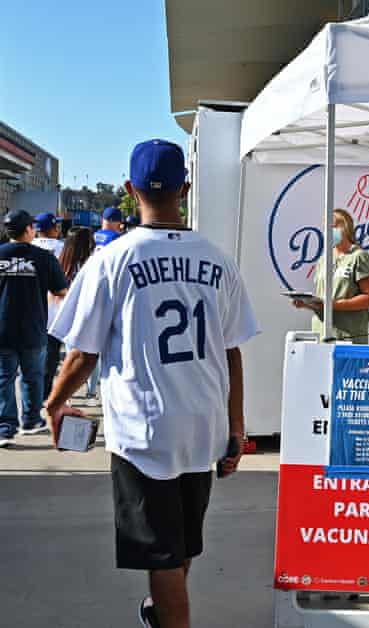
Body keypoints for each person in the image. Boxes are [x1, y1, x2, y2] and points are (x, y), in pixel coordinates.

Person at [45, 139, 259, 628]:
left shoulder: (112, 259)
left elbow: (82, 352)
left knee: (160, 554)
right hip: (202, 423)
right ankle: (161, 612)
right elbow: (232, 350)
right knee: (180, 543)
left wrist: (55, 401)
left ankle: (169, 617)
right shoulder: (217, 259)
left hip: (144, 428)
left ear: (130, 189)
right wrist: (237, 424)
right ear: (185, 188)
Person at [0, 210, 67, 447]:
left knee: (4, 378)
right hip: (33, 327)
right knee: (32, 377)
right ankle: (30, 420)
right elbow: (61, 290)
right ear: (28, 229)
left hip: (2, 328)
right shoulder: (44, 258)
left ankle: (5, 428)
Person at [294, 208, 369, 343]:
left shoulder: (358, 256)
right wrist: (308, 304)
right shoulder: (323, 260)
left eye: (332, 227)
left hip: (347, 336)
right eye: (325, 227)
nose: (327, 231)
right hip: (321, 334)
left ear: (345, 227)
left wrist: (334, 305)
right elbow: (323, 300)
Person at [58, 227, 99, 397]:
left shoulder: (63, 263)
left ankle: (71, 394)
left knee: (71, 355)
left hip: (69, 315)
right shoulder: (94, 262)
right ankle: (91, 392)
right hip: (90, 313)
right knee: (92, 355)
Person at [32, 212, 65, 402]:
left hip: (30, 308)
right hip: (55, 310)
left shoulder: (27, 247)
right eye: (57, 226)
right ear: (52, 228)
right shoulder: (62, 247)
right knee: (50, 357)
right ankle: (44, 393)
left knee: (30, 358)